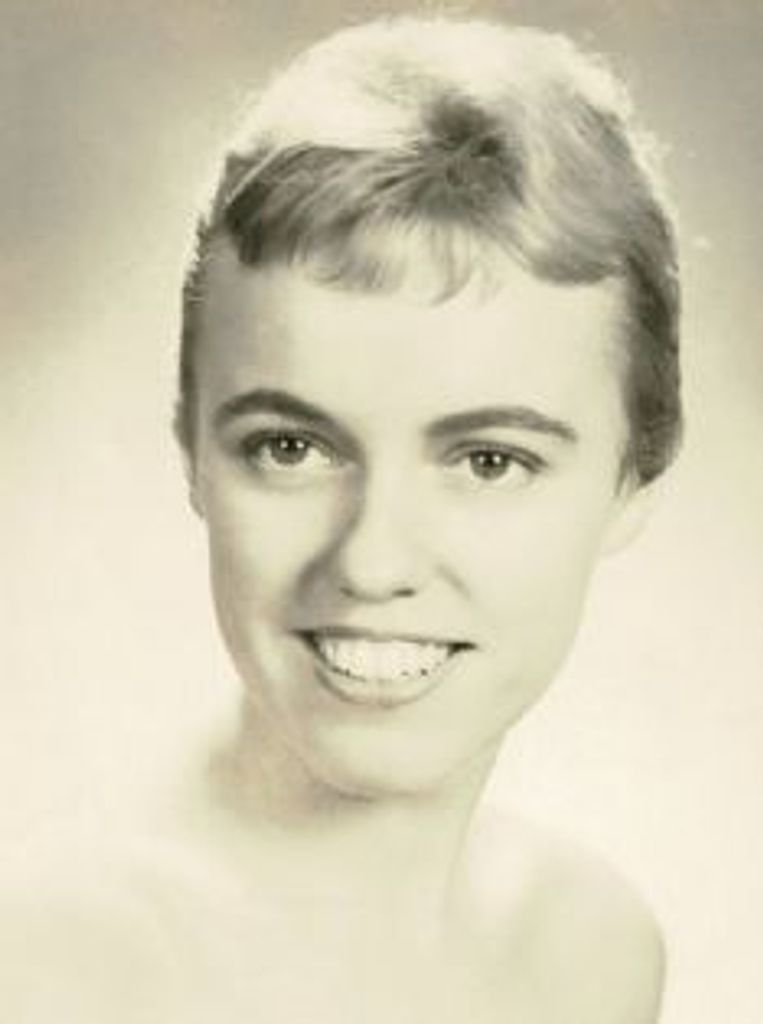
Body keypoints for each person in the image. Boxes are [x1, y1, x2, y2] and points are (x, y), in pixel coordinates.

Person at [3, 14, 681, 1023]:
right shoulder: (53, 975)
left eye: (489, 461)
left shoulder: (588, 952)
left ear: (636, 478)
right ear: (192, 449)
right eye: (290, 447)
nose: (371, 559)